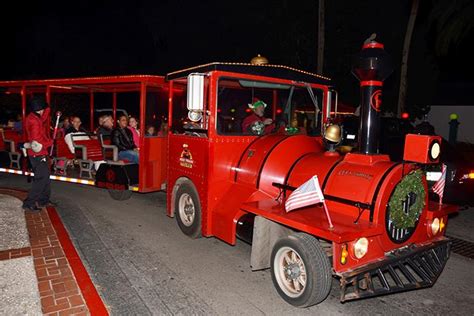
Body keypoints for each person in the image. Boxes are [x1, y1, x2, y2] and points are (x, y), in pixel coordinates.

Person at [22, 97, 53, 212]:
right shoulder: (34, 121)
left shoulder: (34, 117)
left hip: (40, 152)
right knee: (41, 178)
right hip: (37, 153)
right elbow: (36, 141)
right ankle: (29, 203)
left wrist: (47, 107)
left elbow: (44, 117)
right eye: (43, 109)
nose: (43, 112)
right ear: (39, 109)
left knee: (46, 177)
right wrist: (49, 142)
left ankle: (43, 200)